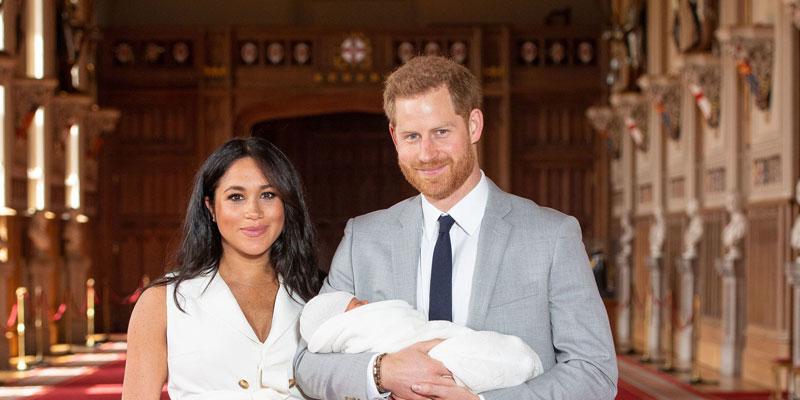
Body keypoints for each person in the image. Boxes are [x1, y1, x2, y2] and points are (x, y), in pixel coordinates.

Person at [294, 55, 617, 400]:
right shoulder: (364, 239)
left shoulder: (551, 237)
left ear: (474, 125)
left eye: (441, 132)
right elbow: (307, 365)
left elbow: (594, 371)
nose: (426, 153)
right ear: (394, 136)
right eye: (412, 136)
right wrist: (383, 371)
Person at [123, 137, 322, 400]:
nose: (253, 211)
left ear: (285, 204)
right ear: (211, 208)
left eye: (268, 195)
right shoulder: (163, 301)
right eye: (236, 197)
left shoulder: (317, 295)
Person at [299, 291, 543, 394]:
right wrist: (382, 371)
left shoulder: (556, 233)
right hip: (435, 353)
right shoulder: (357, 236)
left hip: (439, 341)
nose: (366, 303)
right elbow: (307, 367)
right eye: (357, 304)